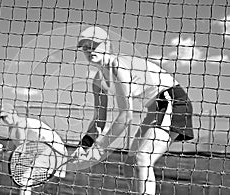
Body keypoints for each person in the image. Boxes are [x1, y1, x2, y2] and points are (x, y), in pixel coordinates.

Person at [75, 26, 194, 195]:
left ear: (107, 46)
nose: (89, 50)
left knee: (142, 158)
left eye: (94, 45)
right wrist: (85, 145)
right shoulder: (97, 80)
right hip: (154, 110)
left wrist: (99, 148)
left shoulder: (117, 66)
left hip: (172, 101)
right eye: (85, 47)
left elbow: (126, 115)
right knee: (130, 166)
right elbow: (99, 120)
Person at [0, 104, 68, 195]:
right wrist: (5, 152)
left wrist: (15, 154)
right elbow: (17, 150)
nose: (5, 120)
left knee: (25, 179)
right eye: (2, 118)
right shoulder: (12, 129)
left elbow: (21, 147)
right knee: (38, 185)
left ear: (13, 112)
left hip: (54, 151)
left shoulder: (21, 123)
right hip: (53, 153)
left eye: (6, 116)